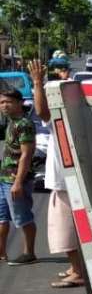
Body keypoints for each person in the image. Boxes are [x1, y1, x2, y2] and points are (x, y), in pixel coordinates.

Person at [31, 61, 84, 286]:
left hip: (64, 183)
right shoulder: (77, 115)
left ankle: (78, 272)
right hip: (68, 181)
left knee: (64, 231)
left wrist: (37, 83)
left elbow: (43, 112)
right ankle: (76, 267)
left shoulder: (63, 118)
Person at [0, 86, 37, 264]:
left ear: (20, 103)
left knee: (22, 218)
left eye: (8, 102)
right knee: (2, 218)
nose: (4, 105)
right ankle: (1, 253)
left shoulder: (24, 124)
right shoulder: (11, 122)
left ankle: (29, 253)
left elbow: (26, 154)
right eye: (1, 102)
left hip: (16, 180)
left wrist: (18, 183)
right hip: (4, 179)